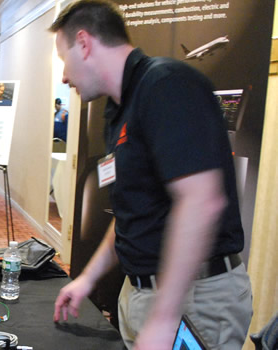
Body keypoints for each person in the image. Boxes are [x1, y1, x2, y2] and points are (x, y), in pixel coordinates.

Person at [49, 1, 252, 349]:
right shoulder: (119, 110)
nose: (65, 77)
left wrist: (164, 316)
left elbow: (200, 201)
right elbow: (132, 213)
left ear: (84, 43)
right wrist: (87, 279)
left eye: (64, 61)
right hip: (143, 293)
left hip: (193, 299)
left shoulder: (165, 85)